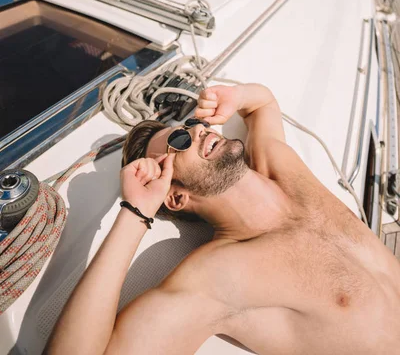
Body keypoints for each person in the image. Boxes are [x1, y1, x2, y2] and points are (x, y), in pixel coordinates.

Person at [45, 83, 400, 355]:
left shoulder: (280, 166)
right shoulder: (221, 276)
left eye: (194, 124)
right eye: (181, 139)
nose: (199, 130)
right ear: (176, 195)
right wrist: (137, 212)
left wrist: (234, 95)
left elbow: (261, 103)